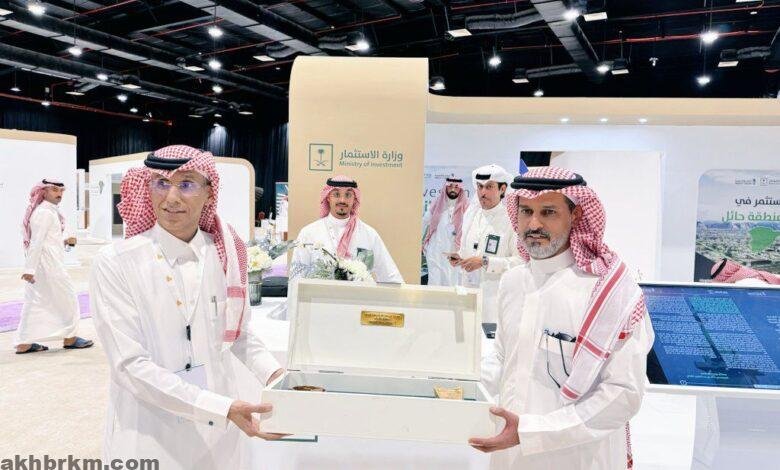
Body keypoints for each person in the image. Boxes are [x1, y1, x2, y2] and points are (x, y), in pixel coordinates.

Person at [90, 146, 284, 469]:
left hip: (219, 436)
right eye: (161, 183)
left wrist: (276, 375)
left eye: (187, 184)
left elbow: (238, 333)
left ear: (209, 192)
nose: (172, 198)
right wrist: (221, 408)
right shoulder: (116, 263)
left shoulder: (225, 253)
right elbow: (129, 365)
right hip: (150, 432)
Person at [470, 167, 654, 470]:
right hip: (510, 454)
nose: (534, 224)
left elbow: (623, 394)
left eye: (548, 212)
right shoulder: (513, 282)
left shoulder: (609, 293)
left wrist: (532, 433)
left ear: (576, 215)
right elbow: (503, 359)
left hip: (578, 457)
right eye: (526, 211)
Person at [15, 178, 92, 354]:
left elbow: (47, 239)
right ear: (44, 192)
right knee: (68, 299)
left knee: (36, 302)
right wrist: (29, 269)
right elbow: (36, 242)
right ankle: (70, 338)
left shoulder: (49, 211)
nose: (59, 194)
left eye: (61, 191)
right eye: (55, 190)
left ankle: (24, 342)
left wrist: (64, 240)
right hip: (48, 265)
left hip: (46, 264)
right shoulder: (44, 213)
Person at [291, 175, 403, 283]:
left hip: (358, 296)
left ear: (354, 199)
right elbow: (296, 279)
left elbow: (391, 277)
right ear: (328, 197)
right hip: (319, 296)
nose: (342, 200)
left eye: (348, 195)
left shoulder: (369, 234)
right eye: (336, 194)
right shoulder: (309, 233)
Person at [451, 164, 521, 323]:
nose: (483, 192)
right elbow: (467, 250)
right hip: (468, 296)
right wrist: (459, 257)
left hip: (494, 302)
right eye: (480, 187)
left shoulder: (512, 221)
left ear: (502, 189)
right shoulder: (471, 215)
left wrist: (485, 262)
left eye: (489, 187)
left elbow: (520, 262)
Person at [422, 176, 469, 286]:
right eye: (450, 186)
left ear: (460, 189)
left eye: (456, 187)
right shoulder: (437, 204)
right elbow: (424, 222)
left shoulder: (466, 207)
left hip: (454, 251)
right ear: (445, 187)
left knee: (452, 283)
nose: (453, 189)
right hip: (435, 251)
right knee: (434, 282)